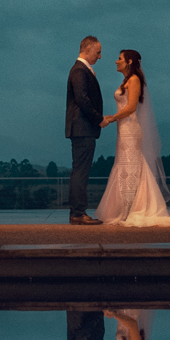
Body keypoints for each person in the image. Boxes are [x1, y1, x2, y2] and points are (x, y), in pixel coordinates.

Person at [96, 48, 170, 225]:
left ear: (129, 62)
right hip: (123, 130)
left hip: (131, 130)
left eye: (119, 58)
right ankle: (125, 207)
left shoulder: (134, 80)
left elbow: (132, 107)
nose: (116, 61)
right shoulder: (126, 80)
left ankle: (131, 208)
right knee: (125, 165)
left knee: (131, 166)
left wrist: (111, 118)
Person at [64, 33, 104, 225]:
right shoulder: (80, 71)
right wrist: (98, 119)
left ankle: (77, 212)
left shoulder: (80, 69)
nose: (100, 56)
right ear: (87, 50)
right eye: (98, 52)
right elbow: (83, 100)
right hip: (83, 128)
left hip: (81, 128)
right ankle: (78, 213)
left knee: (79, 170)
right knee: (81, 171)